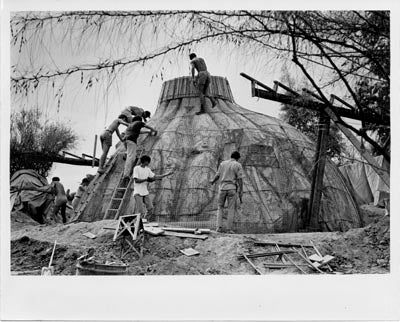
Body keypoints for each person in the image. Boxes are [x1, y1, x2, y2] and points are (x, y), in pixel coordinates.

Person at [210, 151, 244, 233]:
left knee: (220, 207)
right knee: (231, 209)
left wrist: (212, 181)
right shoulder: (237, 165)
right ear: (238, 158)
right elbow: (239, 178)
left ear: (231, 156)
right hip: (232, 188)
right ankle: (229, 229)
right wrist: (241, 190)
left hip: (222, 188)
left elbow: (217, 175)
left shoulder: (222, 164)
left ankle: (218, 228)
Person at [132, 155, 174, 221]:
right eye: (147, 161)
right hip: (137, 192)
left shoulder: (147, 169)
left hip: (145, 192)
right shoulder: (136, 168)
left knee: (150, 208)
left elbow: (155, 176)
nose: (148, 163)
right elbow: (136, 180)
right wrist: (146, 179)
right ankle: (138, 224)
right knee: (141, 211)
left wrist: (166, 174)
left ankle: (144, 222)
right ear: (144, 161)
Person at [122, 116, 158, 181]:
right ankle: (126, 174)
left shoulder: (131, 125)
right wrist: (153, 130)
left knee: (130, 155)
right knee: (130, 157)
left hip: (126, 140)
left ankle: (126, 154)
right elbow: (146, 125)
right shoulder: (139, 122)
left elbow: (139, 132)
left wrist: (147, 132)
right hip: (131, 140)